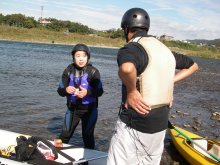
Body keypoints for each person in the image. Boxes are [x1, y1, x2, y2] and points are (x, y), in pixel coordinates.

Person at [107, 8, 199, 165]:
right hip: (159, 127)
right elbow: (193, 66)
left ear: (126, 28)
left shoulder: (131, 48)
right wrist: (169, 81)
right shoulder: (163, 49)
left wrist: (132, 91)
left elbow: (127, 68)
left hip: (135, 123)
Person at [57, 43, 103, 149]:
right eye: (78, 56)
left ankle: (90, 158)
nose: (81, 59)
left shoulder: (93, 72)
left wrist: (87, 92)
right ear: (73, 57)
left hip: (89, 110)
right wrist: (66, 90)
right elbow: (59, 91)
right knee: (64, 135)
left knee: (87, 136)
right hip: (72, 109)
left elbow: (100, 91)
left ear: (88, 57)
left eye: (84, 56)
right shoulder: (68, 71)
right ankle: (56, 152)